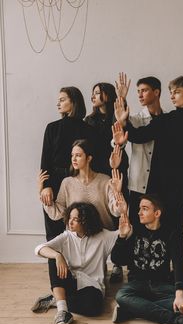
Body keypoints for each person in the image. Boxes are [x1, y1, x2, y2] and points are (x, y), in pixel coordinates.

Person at [113, 76, 183, 304]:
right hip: (170, 190)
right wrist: (124, 123)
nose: (172, 96)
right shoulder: (167, 120)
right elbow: (141, 136)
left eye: (176, 92)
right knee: (175, 235)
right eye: (170, 93)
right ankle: (179, 278)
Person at [31, 202, 130, 324]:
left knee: (94, 308)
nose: (70, 222)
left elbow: (126, 231)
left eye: (75, 219)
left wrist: (123, 218)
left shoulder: (103, 236)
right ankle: (62, 312)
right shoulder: (66, 236)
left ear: (86, 221)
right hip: (69, 281)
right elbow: (39, 249)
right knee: (53, 259)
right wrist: (58, 255)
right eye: (69, 218)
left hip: (92, 286)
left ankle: (57, 299)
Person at [111, 194, 183, 324]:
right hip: (137, 284)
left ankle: (131, 310)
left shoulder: (171, 233)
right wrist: (122, 236)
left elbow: (178, 263)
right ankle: (177, 321)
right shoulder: (135, 230)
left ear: (157, 213)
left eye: (144, 209)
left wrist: (180, 293)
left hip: (160, 284)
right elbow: (117, 260)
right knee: (121, 295)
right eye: (139, 209)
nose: (139, 212)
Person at [85, 78, 130, 282]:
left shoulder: (116, 116)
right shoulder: (89, 121)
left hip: (117, 169)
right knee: (99, 216)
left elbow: (123, 121)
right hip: (97, 174)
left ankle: (119, 263)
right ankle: (98, 263)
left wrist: (122, 97)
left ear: (107, 95)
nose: (93, 96)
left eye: (97, 92)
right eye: (92, 93)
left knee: (118, 215)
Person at [40, 86, 97, 241]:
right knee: (53, 233)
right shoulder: (52, 128)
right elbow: (45, 161)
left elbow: (93, 161)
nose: (58, 104)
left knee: (78, 230)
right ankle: (55, 265)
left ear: (74, 102)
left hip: (79, 182)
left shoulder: (89, 130)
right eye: (58, 100)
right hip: (55, 182)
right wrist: (45, 186)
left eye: (62, 100)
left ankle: (77, 266)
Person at [39, 139, 125, 231]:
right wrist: (42, 191)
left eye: (78, 155)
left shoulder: (105, 181)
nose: (74, 159)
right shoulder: (67, 183)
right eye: (72, 155)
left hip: (102, 238)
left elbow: (117, 211)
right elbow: (56, 213)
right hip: (77, 239)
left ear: (89, 158)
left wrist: (117, 193)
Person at [114, 75, 163, 225]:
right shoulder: (135, 120)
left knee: (162, 225)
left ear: (156, 92)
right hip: (139, 183)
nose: (140, 94)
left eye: (144, 90)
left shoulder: (168, 120)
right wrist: (121, 99)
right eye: (138, 91)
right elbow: (115, 141)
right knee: (137, 226)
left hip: (161, 183)